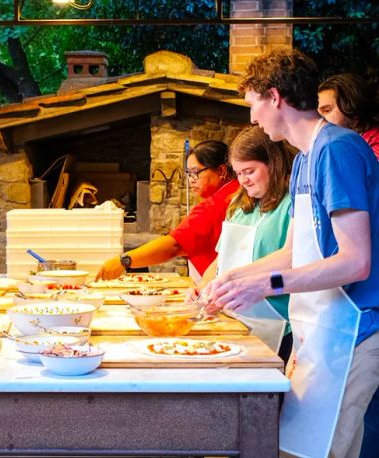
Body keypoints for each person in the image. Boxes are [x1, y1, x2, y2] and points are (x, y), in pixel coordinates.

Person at [204, 48, 379, 458]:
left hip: (355, 331)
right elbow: (292, 252)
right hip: (319, 331)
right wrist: (231, 278)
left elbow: (357, 261)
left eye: (253, 105)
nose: (252, 119)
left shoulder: (337, 149)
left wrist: (265, 286)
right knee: (296, 448)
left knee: (323, 451)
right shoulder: (304, 159)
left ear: (275, 97)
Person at [197, 126, 295, 358]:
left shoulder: (292, 204)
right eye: (238, 173)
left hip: (279, 325)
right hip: (234, 319)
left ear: (274, 163)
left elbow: (292, 258)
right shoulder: (238, 204)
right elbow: (222, 259)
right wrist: (202, 289)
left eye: (249, 171)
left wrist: (231, 280)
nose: (243, 181)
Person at [97, 140, 239, 282]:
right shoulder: (238, 192)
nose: (191, 180)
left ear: (221, 171)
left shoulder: (215, 204)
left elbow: (175, 246)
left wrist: (125, 260)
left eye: (196, 173)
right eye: (188, 174)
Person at [318, 73, 379, 159]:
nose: (320, 119)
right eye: (318, 114)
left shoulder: (373, 145)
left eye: (327, 110)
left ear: (351, 106)